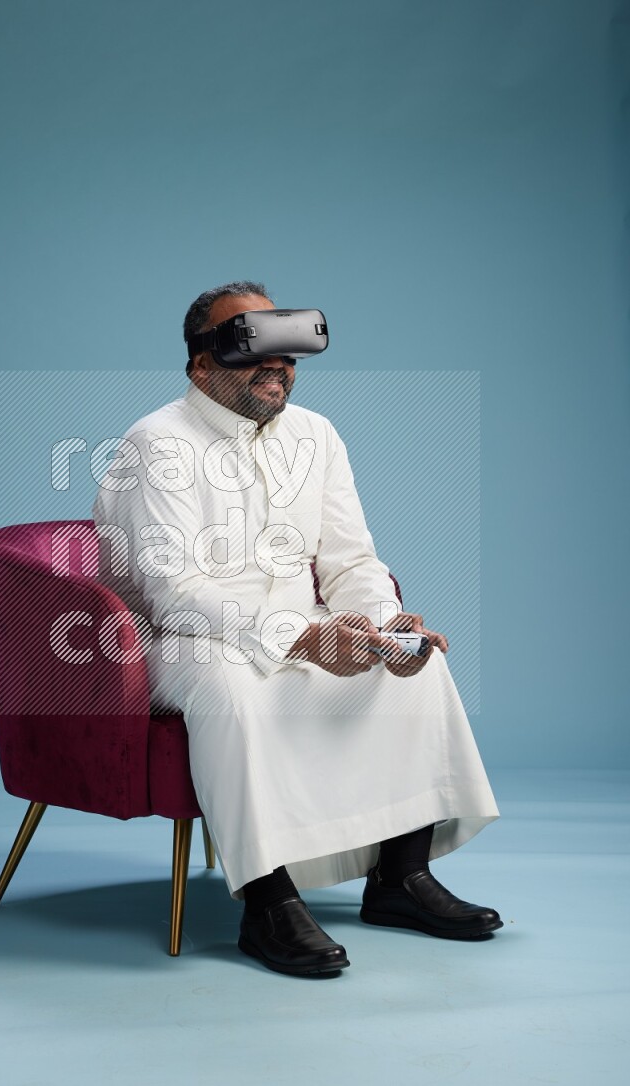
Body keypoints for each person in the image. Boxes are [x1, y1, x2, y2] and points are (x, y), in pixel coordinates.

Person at [92, 280, 501, 977]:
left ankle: (401, 876)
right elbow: (176, 593)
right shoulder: (153, 445)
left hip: (296, 619)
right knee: (231, 691)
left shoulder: (317, 435)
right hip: (175, 639)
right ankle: (266, 901)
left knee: (416, 671)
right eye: (252, 350)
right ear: (200, 366)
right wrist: (306, 639)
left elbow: (351, 559)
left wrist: (382, 626)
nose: (276, 366)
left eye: (285, 351)